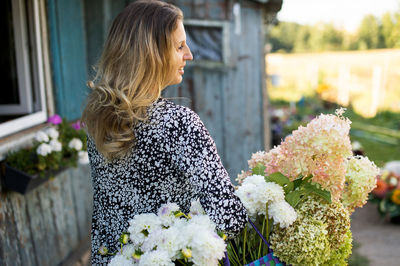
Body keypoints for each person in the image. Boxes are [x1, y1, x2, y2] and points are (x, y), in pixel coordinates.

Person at [81, 1, 247, 264]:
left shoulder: (97, 121)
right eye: (179, 46)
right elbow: (229, 217)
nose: (189, 54)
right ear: (152, 54)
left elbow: (105, 213)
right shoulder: (178, 123)